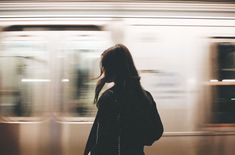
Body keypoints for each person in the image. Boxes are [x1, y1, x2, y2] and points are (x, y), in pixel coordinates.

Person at [84, 44, 163, 155]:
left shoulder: (109, 98)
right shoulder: (145, 97)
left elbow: (101, 141)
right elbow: (156, 132)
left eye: (105, 65)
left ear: (114, 68)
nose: (103, 70)